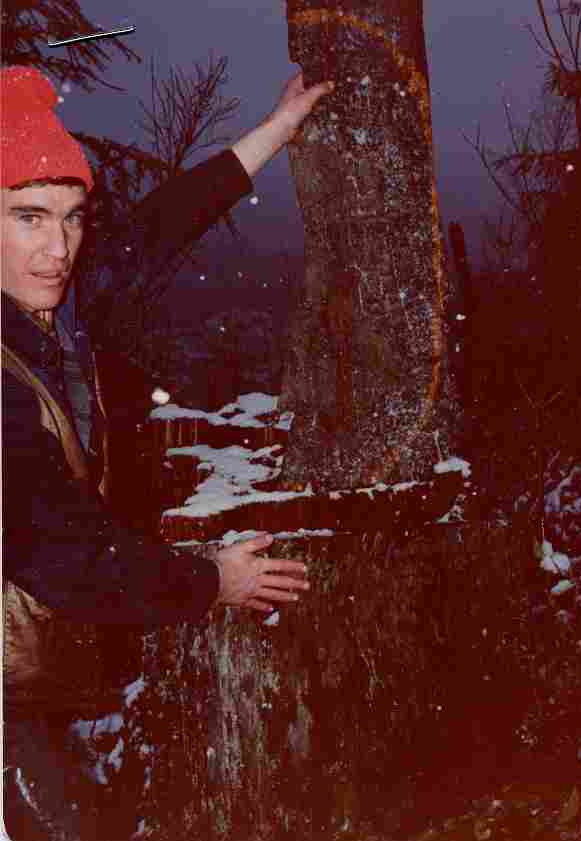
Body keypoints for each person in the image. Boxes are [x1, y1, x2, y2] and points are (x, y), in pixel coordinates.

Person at [1, 64, 333, 839]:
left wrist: (275, 133)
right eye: (28, 217)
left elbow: (157, 227)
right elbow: (63, 556)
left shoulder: (51, 306)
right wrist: (212, 579)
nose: (59, 248)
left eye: (73, 217)